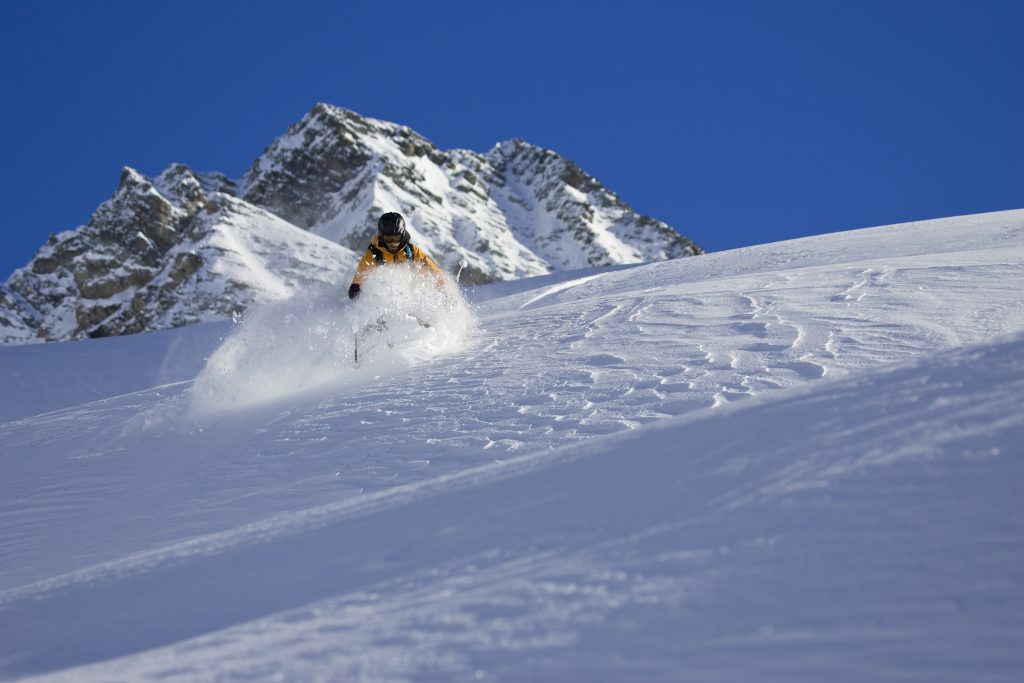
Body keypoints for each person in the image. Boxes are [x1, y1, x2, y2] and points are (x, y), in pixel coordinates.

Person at [348, 212, 445, 299]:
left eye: (397, 238)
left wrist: (444, 287)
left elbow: (434, 270)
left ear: (402, 235)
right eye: (389, 239)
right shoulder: (374, 254)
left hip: (411, 295)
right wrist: (355, 286)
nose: (393, 243)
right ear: (381, 236)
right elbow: (361, 272)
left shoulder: (411, 251)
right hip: (383, 297)